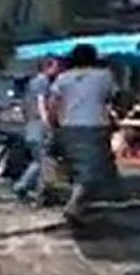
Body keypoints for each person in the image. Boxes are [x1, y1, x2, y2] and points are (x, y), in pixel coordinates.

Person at [49, 44, 117, 222]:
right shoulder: (105, 76)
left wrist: (54, 124)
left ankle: (77, 205)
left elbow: (53, 104)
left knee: (78, 169)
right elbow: (113, 98)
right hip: (95, 126)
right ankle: (75, 205)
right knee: (94, 171)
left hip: (69, 127)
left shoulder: (62, 78)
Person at [13, 57, 61, 204]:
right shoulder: (43, 82)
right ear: (48, 67)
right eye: (56, 66)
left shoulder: (32, 83)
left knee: (39, 160)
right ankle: (25, 187)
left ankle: (35, 190)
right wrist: (47, 122)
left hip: (30, 125)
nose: (58, 70)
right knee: (43, 160)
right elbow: (41, 103)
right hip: (39, 126)